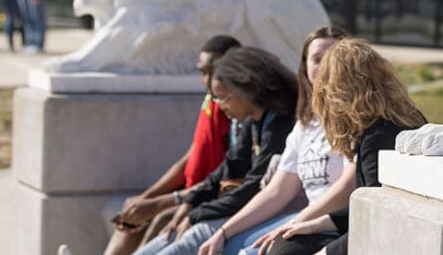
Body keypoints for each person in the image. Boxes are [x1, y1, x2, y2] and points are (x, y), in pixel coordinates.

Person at [198, 26, 355, 255]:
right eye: (317, 59)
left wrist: (290, 226)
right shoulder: (306, 124)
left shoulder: (358, 117)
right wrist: (224, 231)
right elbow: (277, 192)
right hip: (305, 220)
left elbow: (347, 187)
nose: (324, 66)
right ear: (305, 67)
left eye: (333, 58)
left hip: (336, 225)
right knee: (227, 246)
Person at [264, 37, 426, 255]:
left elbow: (380, 220)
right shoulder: (402, 120)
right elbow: (372, 206)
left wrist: (326, 253)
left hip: (394, 238)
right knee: (289, 241)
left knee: (286, 251)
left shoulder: (378, 136)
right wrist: (323, 222)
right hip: (391, 230)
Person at [133, 46, 298, 255]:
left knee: (191, 237)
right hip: (241, 211)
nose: (219, 105)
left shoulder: (280, 124)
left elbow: (253, 189)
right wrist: (192, 202)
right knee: (170, 233)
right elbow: (227, 169)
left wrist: (197, 214)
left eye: (223, 97)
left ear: (247, 89)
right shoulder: (255, 122)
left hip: (267, 215)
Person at [104, 35, 241, 255]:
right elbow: (190, 158)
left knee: (161, 219)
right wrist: (147, 197)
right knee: (130, 214)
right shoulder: (212, 101)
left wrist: (161, 203)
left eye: (213, 72)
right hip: (189, 191)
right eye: (203, 72)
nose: (207, 80)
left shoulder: (237, 110)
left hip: (207, 198)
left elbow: (226, 180)